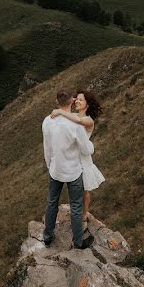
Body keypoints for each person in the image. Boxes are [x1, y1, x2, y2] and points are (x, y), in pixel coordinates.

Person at [42, 90, 95, 249]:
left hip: (56, 170)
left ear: (57, 101)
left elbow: (47, 147)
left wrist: (49, 165)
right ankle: (78, 242)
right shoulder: (76, 125)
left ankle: (47, 237)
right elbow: (87, 150)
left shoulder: (47, 121)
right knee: (76, 206)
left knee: (52, 203)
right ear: (72, 101)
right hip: (73, 172)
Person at [50, 90, 104, 231]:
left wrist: (60, 111)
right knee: (75, 189)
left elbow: (78, 121)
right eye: (77, 99)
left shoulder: (88, 120)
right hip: (72, 156)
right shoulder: (73, 115)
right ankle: (76, 212)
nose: (77, 101)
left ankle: (83, 214)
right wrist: (67, 104)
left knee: (84, 190)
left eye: (81, 100)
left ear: (87, 104)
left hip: (83, 158)